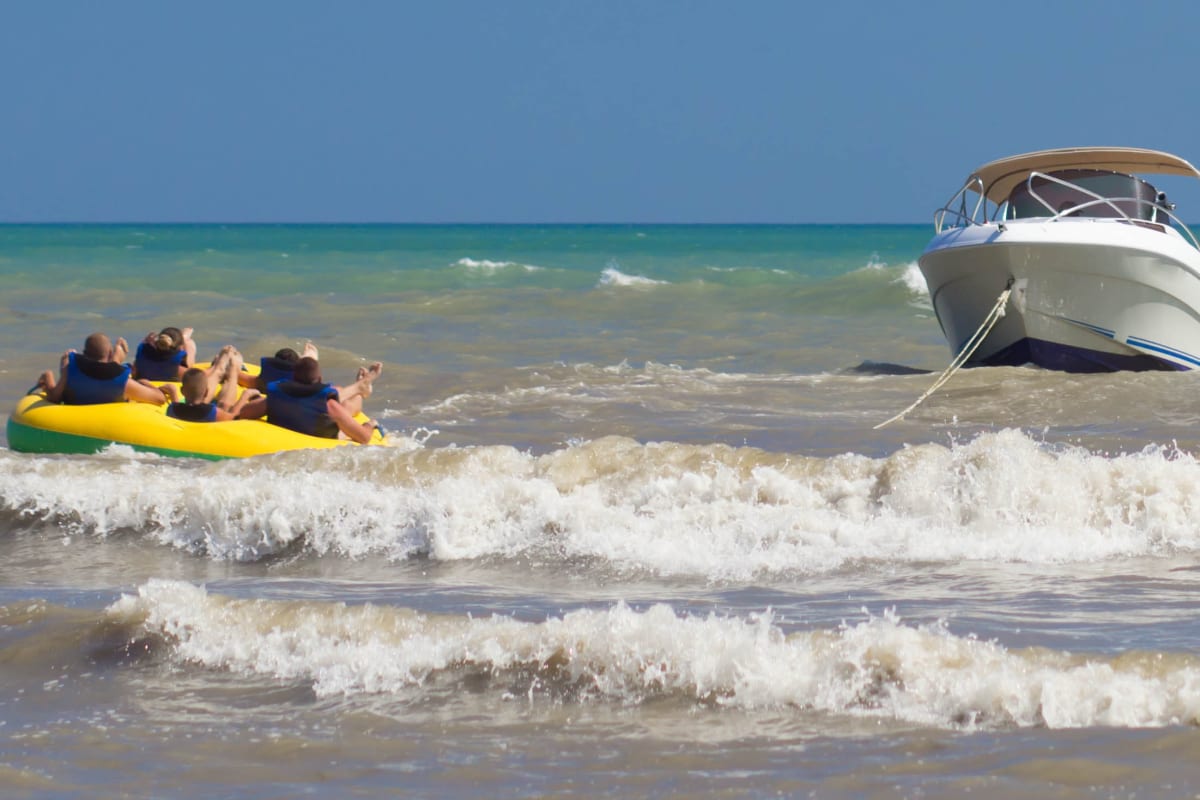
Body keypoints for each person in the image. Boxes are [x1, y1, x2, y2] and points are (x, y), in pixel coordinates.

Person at [238, 356, 382, 444]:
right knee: (347, 407)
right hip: (320, 434)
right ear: (319, 380)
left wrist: (249, 398)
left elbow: (244, 413)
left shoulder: (277, 397)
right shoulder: (330, 405)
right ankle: (360, 389)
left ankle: (360, 388)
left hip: (290, 429)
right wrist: (370, 425)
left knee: (342, 403)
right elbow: (363, 438)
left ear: (293, 378)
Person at [37, 332, 174, 406]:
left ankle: (115, 356)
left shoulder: (71, 366)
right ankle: (117, 356)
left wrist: (50, 376)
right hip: (109, 423)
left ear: (84, 353)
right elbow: (159, 399)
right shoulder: (122, 379)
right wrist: (146, 384)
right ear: (109, 354)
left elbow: (54, 398)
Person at [166, 349, 260, 422]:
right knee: (224, 406)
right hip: (210, 422)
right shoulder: (212, 412)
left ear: (182, 391)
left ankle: (220, 369)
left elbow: (177, 405)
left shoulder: (172, 409)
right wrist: (245, 395)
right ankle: (232, 371)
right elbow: (234, 417)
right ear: (207, 392)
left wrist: (172, 392)